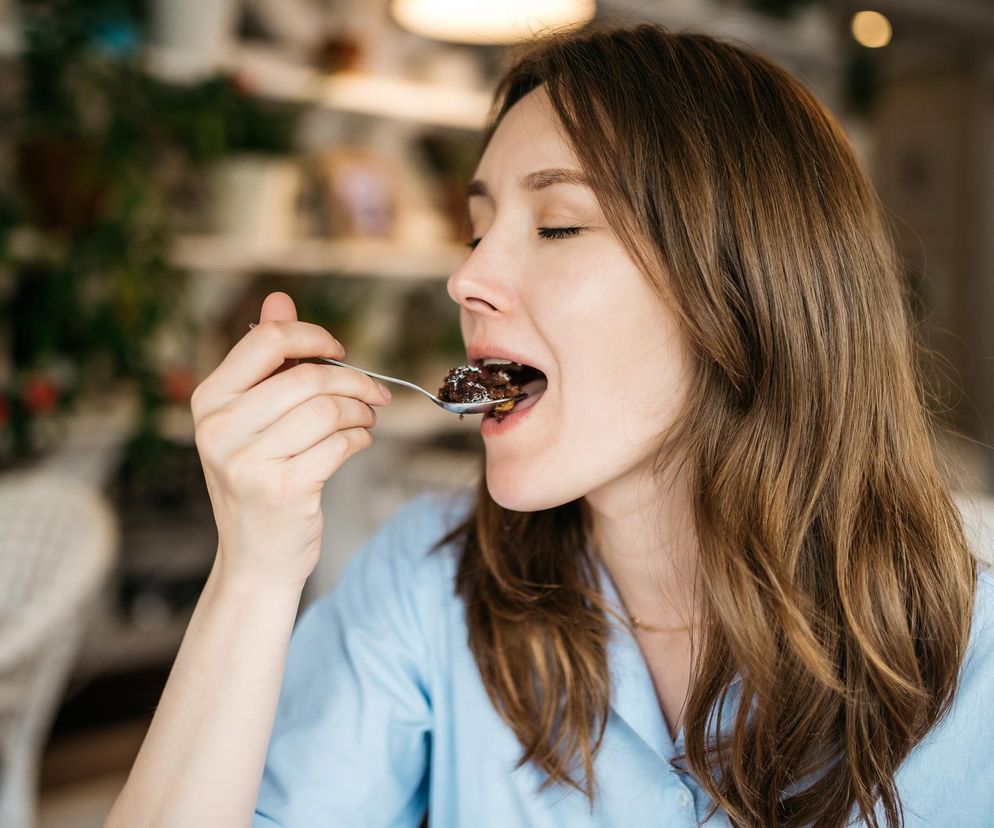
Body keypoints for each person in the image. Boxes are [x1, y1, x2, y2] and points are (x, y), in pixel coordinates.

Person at [105, 23, 994, 828]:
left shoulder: (975, 656)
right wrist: (253, 576)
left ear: (748, 286)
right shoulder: (428, 585)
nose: (467, 278)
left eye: (559, 224)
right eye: (476, 229)